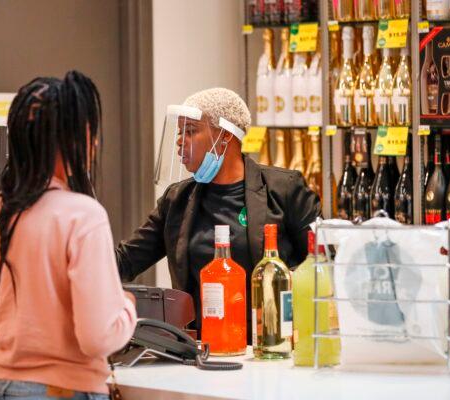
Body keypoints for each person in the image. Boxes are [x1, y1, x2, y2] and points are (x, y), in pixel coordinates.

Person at [0, 71, 136, 400]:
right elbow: (98, 338)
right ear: (74, 139)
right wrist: (126, 307)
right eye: (90, 134)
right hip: (63, 391)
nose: (94, 145)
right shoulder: (83, 215)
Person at [116, 87, 320, 341]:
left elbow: (320, 265)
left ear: (223, 136)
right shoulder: (177, 200)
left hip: (269, 345)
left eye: (190, 131)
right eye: (179, 133)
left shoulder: (284, 190)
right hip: (201, 349)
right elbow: (126, 260)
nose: (180, 141)